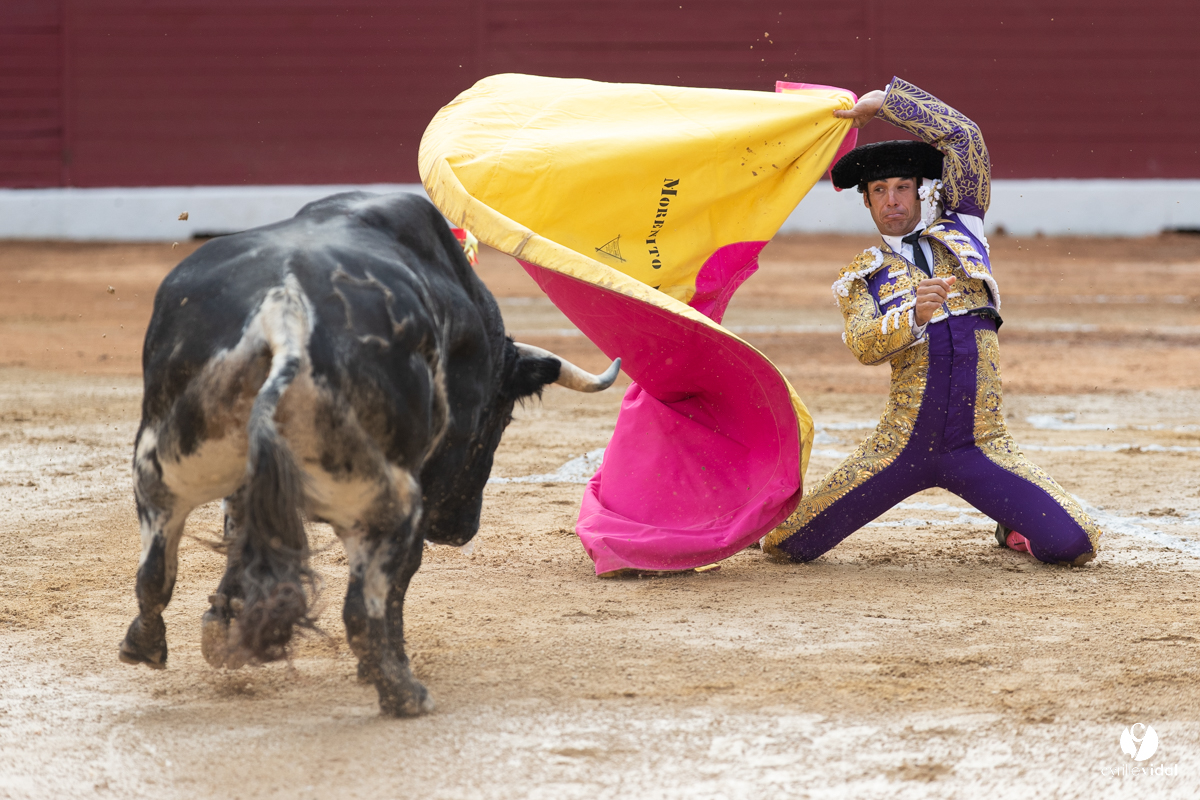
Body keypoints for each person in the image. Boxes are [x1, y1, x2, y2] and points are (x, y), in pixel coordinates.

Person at [761, 77, 1101, 566]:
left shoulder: (963, 228)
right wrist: (913, 317)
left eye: (903, 187)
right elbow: (862, 344)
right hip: (901, 446)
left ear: (921, 193)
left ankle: (1011, 528)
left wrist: (889, 104)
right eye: (880, 190)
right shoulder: (861, 275)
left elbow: (965, 138)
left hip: (980, 444)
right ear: (867, 201)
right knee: (785, 544)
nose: (893, 200)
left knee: (1075, 544)